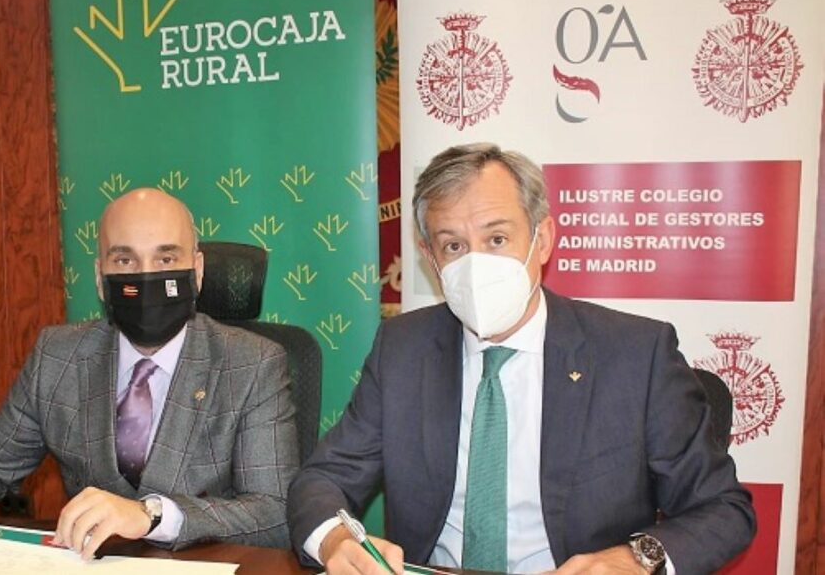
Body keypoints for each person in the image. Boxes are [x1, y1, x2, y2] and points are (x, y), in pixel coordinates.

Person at [287, 143, 755, 575]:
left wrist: (636, 559)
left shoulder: (635, 354)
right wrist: (334, 540)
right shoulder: (403, 348)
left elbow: (723, 509)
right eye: (453, 246)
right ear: (430, 258)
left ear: (542, 239)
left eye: (496, 239)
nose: (476, 264)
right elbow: (324, 478)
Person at [0, 188, 298, 558]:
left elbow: (275, 514)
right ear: (100, 278)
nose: (145, 277)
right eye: (125, 260)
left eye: (165, 259)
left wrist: (153, 515)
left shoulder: (253, 364)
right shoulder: (58, 355)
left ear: (196, 270)